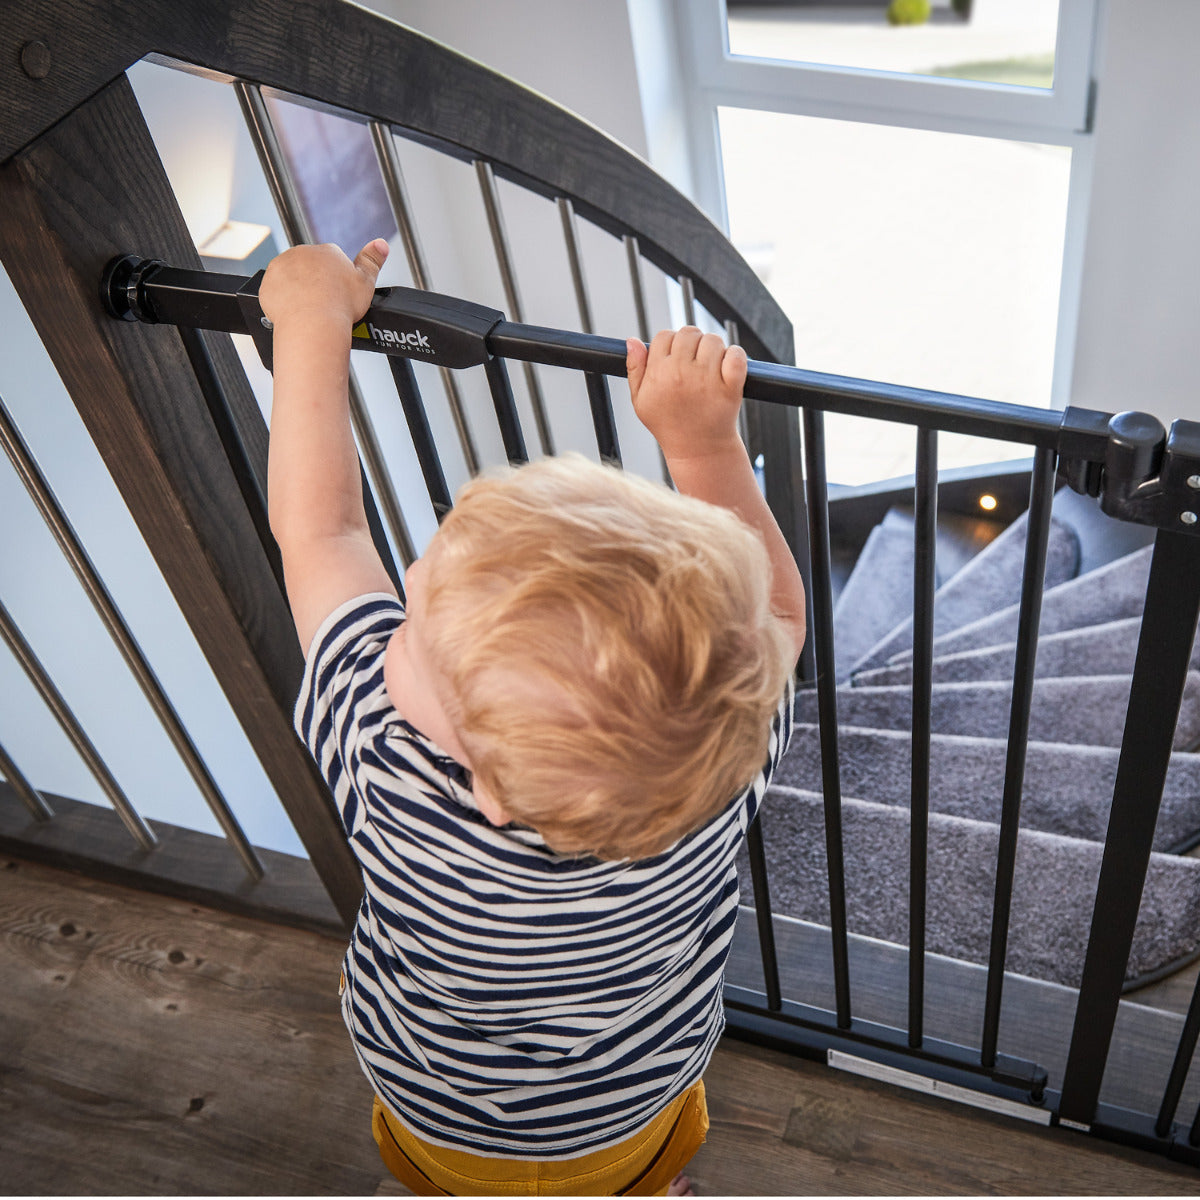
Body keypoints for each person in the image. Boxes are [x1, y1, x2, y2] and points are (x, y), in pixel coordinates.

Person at [260, 239, 806, 1197]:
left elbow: (323, 531)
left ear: (488, 790)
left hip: (439, 1127)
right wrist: (704, 446)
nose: (407, 578)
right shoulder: (716, 768)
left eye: (413, 627)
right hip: (634, 1120)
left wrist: (311, 319)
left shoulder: (387, 764)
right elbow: (781, 617)